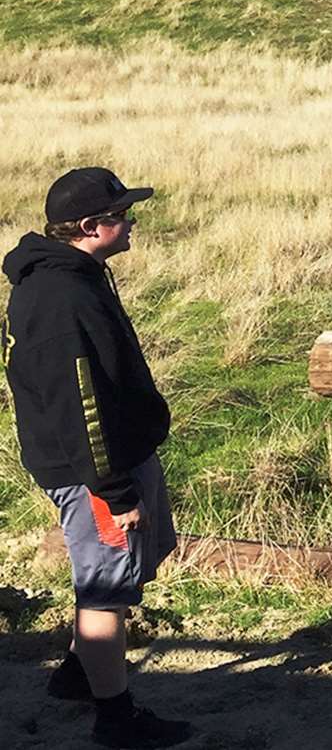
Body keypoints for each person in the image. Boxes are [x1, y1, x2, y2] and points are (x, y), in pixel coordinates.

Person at [2, 167, 192, 748]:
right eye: (122, 214)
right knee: (104, 587)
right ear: (90, 227)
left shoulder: (76, 276)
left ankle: (79, 675)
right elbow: (79, 407)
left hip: (107, 461)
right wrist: (112, 489)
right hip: (94, 473)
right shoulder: (62, 298)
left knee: (123, 569)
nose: (131, 221)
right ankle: (115, 715)